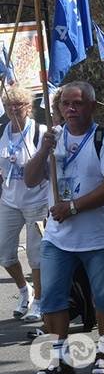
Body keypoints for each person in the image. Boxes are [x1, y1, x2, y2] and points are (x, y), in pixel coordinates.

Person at [24, 81, 104, 374]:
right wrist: (43, 151)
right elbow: (31, 180)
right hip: (58, 238)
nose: (71, 108)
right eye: (65, 103)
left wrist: (73, 207)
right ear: (57, 108)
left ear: (92, 107)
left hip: (98, 237)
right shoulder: (53, 138)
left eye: (78, 103)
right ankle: (60, 360)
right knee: (52, 299)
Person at [0, 86, 47, 323]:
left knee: (35, 255)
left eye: (18, 104)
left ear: (29, 106)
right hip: (9, 201)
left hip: (37, 201)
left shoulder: (40, 132)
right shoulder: (1, 132)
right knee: (4, 253)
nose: (13, 109)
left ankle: (39, 301)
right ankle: (24, 291)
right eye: (8, 105)